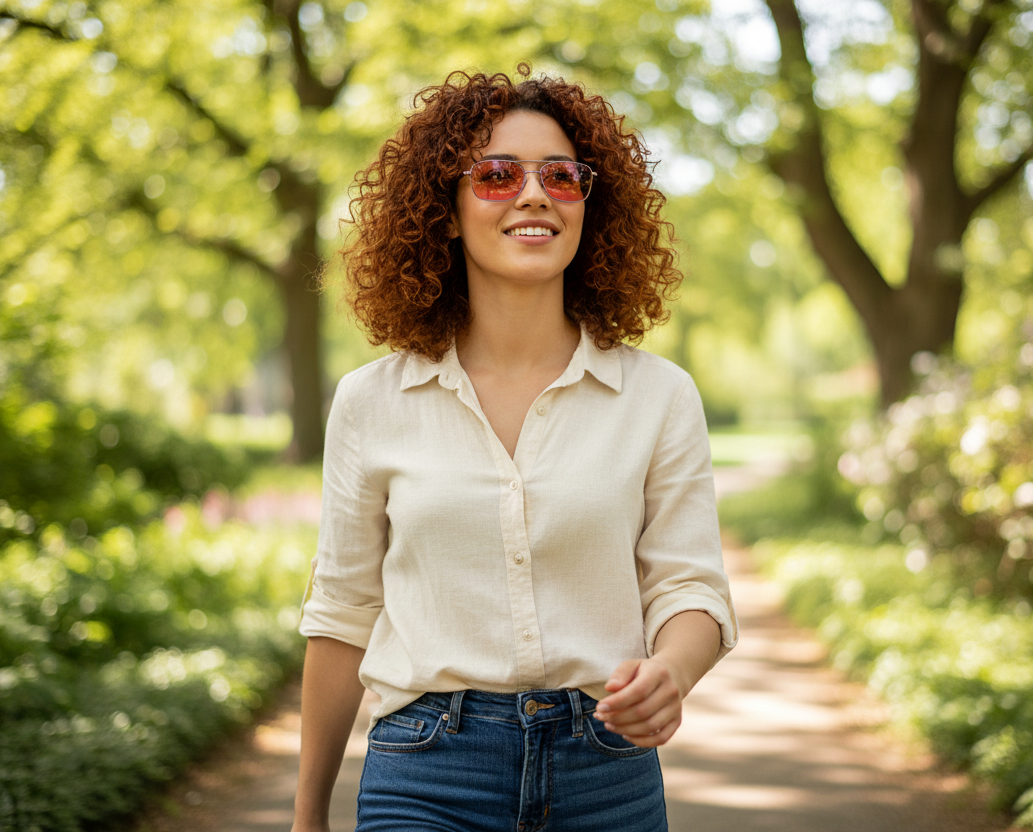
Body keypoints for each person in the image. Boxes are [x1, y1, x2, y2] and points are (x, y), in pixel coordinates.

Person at [292, 65, 738, 832]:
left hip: (608, 771)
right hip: (426, 772)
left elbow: (689, 587)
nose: (535, 194)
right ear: (447, 208)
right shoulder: (371, 403)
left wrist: (673, 671)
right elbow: (343, 612)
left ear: (589, 206)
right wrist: (307, 819)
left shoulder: (660, 396)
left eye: (561, 176)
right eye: (497, 175)